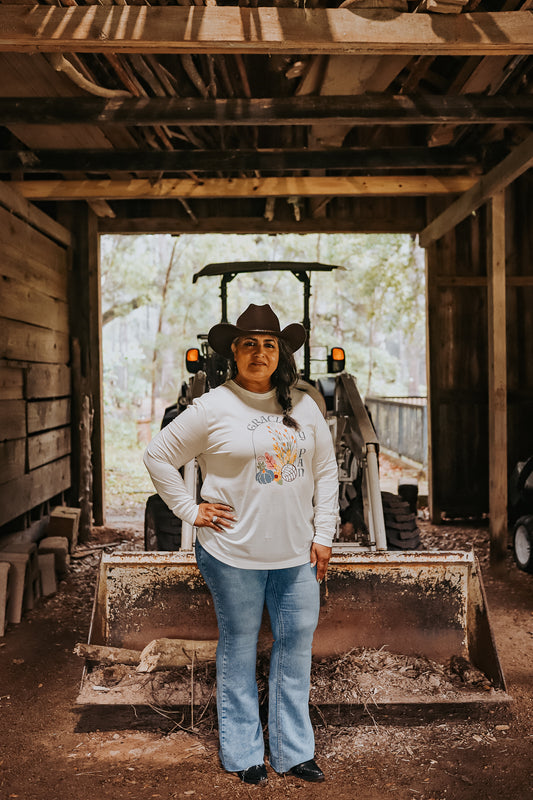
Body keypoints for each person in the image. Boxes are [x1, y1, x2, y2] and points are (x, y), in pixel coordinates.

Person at [143, 303, 339, 785]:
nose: (259, 352)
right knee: (239, 647)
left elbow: (327, 471)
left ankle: (294, 752)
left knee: (295, 646)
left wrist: (324, 533)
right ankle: (244, 752)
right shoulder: (213, 405)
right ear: (233, 352)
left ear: (281, 353)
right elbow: (158, 456)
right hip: (232, 554)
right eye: (249, 343)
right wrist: (191, 512)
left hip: (296, 555)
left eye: (269, 344)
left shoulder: (304, 405)